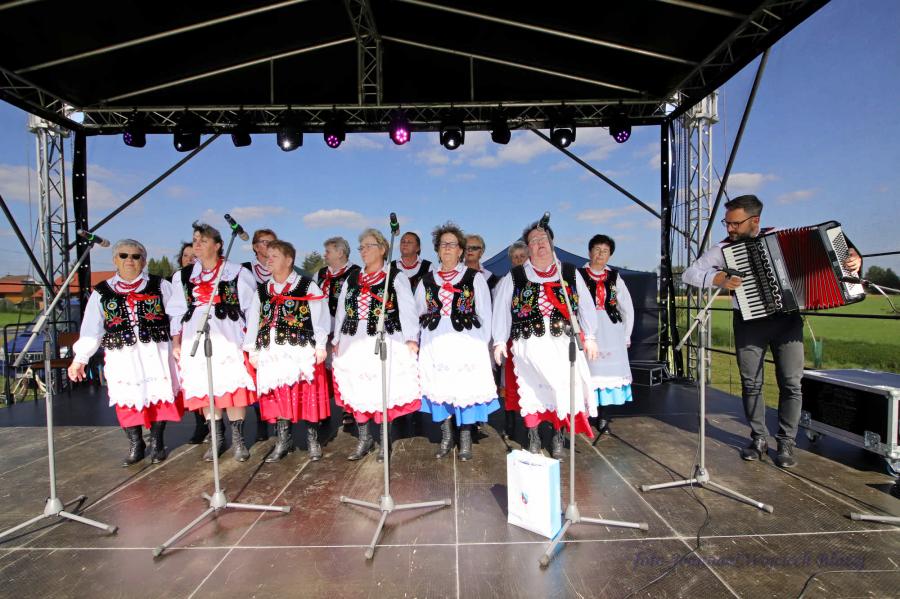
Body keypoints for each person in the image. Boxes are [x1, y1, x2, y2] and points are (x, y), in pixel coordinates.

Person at [682, 194, 862, 468]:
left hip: (787, 321)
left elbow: (842, 256)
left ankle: (786, 442)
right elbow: (689, 273)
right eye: (726, 223)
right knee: (751, 383)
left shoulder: (781, 236)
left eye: (735, 223)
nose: (729, 229)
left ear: (755, 220)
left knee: (791, 383)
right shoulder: (723, 249)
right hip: (748, 322)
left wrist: (854, 259)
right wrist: (716, 278)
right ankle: (758, 439)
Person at [68, 240, 183, 467]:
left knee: (159, 394)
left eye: (135, 256)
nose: (129, 260)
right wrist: (80, 359)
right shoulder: (102, 291)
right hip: (122, 354)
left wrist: (179, 344)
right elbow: (91, 329)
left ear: (144, 261)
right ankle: (136, 443)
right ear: (115, 260)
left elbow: (177, 316)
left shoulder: (160, 285)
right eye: (124, 255)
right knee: (126, 398)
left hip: (156, 352)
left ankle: (157, 442)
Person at [492, 221, 599, 458]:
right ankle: (533, 435)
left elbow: (586, 307)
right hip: (528, 345)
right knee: (532, 391)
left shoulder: (569, 273)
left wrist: (590, 336)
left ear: (552, 243)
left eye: (543, 239)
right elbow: (501, 309)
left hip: (563, 344)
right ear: (528, 247)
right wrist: (499, 341)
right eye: (533, 241)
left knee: (560, 390)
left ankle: (558, 435)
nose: (539, 244)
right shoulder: (515, 276)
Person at [332, 228, 421, 461]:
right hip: (353, 339)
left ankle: (384, 440)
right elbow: (341, 310)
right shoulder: (352, 278)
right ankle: (364, 438)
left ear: (382, 249)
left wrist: (411, 339)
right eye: (361, 247)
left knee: (383, 387)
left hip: (385, 337)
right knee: (357, 387)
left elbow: (408, 310)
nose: (363, 251)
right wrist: (337, 339)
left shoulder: (395, 276)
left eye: (368, 246)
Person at [173, 222, 258, 462]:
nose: (197, 244)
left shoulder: (237, 272)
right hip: (195, 335)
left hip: (228, 335)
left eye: (203, 240)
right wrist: (176, 342)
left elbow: (252, 310)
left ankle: (238, 439)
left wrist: (250, 342)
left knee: (231, 384)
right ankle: (216, 438)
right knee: (205, 386)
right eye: (195, 240)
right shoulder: (183, 276)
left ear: (218, 245)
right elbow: (177, 312)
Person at [416, 223, 499, 461]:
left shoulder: (474, 278)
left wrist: (482, 344)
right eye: (443, 244)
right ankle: (446, 436)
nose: (447, 248)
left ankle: (465, 438)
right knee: (439, 385)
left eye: (452, 244)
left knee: (465, 387)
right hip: (435, 342)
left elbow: (485, 314)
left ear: (461, 250)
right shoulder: (427, 280)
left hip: (466, 341)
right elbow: (417, 312)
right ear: (437, 250)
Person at [244, 241, 330, 462]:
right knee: (278, 393)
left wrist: (320, 345)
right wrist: (252, 349)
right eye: (268, 256)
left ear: (289, 260)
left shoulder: (306, 286)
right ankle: (284, 440)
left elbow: (319, 316)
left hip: (300, 349)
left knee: (306, 393)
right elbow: (254, 320)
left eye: (274, 256)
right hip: (272, 350)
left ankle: (312, 440)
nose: (269, 260)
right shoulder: (263, 290)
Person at [579, 234, 634, 437]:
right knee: (586, 372)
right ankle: (584, 414)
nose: (601, 254)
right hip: (587, 330)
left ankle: (603, 416)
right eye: (597, 250)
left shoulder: (614, 277)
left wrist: (626, 334)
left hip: (611, 330)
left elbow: (626, 307)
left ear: (610, 255)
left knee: (608, 374)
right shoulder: (578, 275)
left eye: (605, 251)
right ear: (589, 252)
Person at [316, 237, 361, 427]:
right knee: (321, 368)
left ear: (341, 253)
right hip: (322, 328)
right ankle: (323, 408)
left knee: (344, 366)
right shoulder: (320, 274)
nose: (325, 255)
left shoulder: (356, 273)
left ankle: (348, 408)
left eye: (328, 251)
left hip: (344, 327)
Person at [243, 229, 277, 441]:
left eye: (273, 242)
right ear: (255, 247)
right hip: (253, 328)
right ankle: (261, 419)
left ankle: (279, 419)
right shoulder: (245, 270)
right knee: (256, 376)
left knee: (276, 372)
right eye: (265, 242)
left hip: (277, 328)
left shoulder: (281, 267)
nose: (270, 246)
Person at [174, 241, 208, 445]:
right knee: (193, 382)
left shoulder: (208, 277)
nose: (189, 259)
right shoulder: (177, 279)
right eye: (185, 256)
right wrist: (175, 339)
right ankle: (200, 424)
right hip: (187, 334)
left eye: (193, 256)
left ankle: (216, 425)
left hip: (208, 332)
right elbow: (174, 312)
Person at [499, 240, 530, 439]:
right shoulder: (507, 279)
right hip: (512, 336)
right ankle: (509, 420)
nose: (518, 260)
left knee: (530, 380)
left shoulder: (535, 279)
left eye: (522, 256)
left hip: (532, 337)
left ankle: (530, 423)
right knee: (510, 380)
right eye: (515, 257)